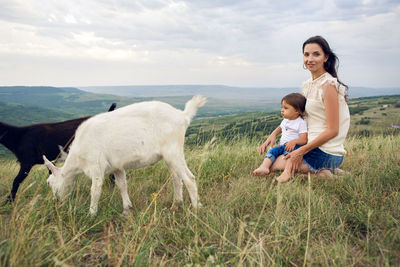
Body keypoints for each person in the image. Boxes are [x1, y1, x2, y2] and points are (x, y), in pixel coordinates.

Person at [272, 35, 350, 182]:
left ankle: (324, 170)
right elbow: (298, 116)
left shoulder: (329, 86)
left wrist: (301, 151)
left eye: (316, 54)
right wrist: (276, 134)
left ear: (326, 57)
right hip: (310, 145)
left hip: (326, 150)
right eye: (306, 54)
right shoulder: (307, 84)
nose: (310, 59)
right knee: (274, 156)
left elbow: (333, 130)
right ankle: (322, 171)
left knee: (274, 164)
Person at [252, 93, 308, 176]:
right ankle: (264, 167)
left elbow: (304, 139)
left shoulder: (301, 123)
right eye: (282, 107)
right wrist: (274, 136)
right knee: (272, 151)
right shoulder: (286, 120)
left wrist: (294, 141)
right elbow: (281, 129)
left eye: (285, 108)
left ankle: (288, 170)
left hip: (292, 146)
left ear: (296, 111)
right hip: (282, 146)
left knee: (288, 157)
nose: (282, 110)